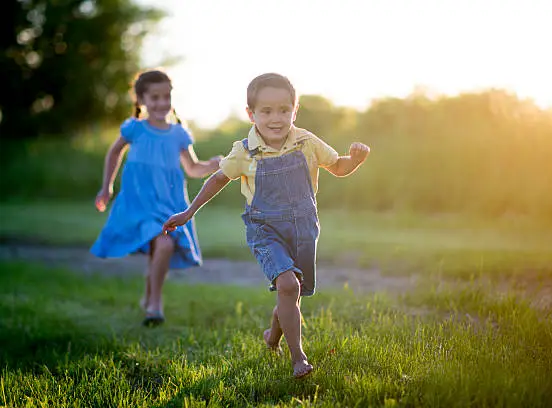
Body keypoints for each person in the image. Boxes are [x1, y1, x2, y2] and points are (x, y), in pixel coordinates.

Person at [163, 73, 370, 378]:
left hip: (303, 228)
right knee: (288, 285)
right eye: (267, 111)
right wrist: (189, 211)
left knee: (292, 293)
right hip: (264, 229)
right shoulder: (244, 150)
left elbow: (337, 167)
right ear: (252, 114)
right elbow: (218, 179)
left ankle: (272, 337)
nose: (277, 118)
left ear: (294, 111)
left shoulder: (306, 141)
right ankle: (298, 358)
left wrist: (354, 160)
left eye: (285, 110)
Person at [91, 69, 221, 327]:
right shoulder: (134, 129)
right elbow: (114, 154)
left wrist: (213, 165)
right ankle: (155, 304)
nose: (162, 103)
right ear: (141, 100)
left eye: (166, 96)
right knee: (162, 245)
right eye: (155, 97)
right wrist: (107, 187)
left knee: (159, 249)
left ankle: (150, 298)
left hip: (169, 202)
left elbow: (193, 168)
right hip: (139, 202)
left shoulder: (179, 134)